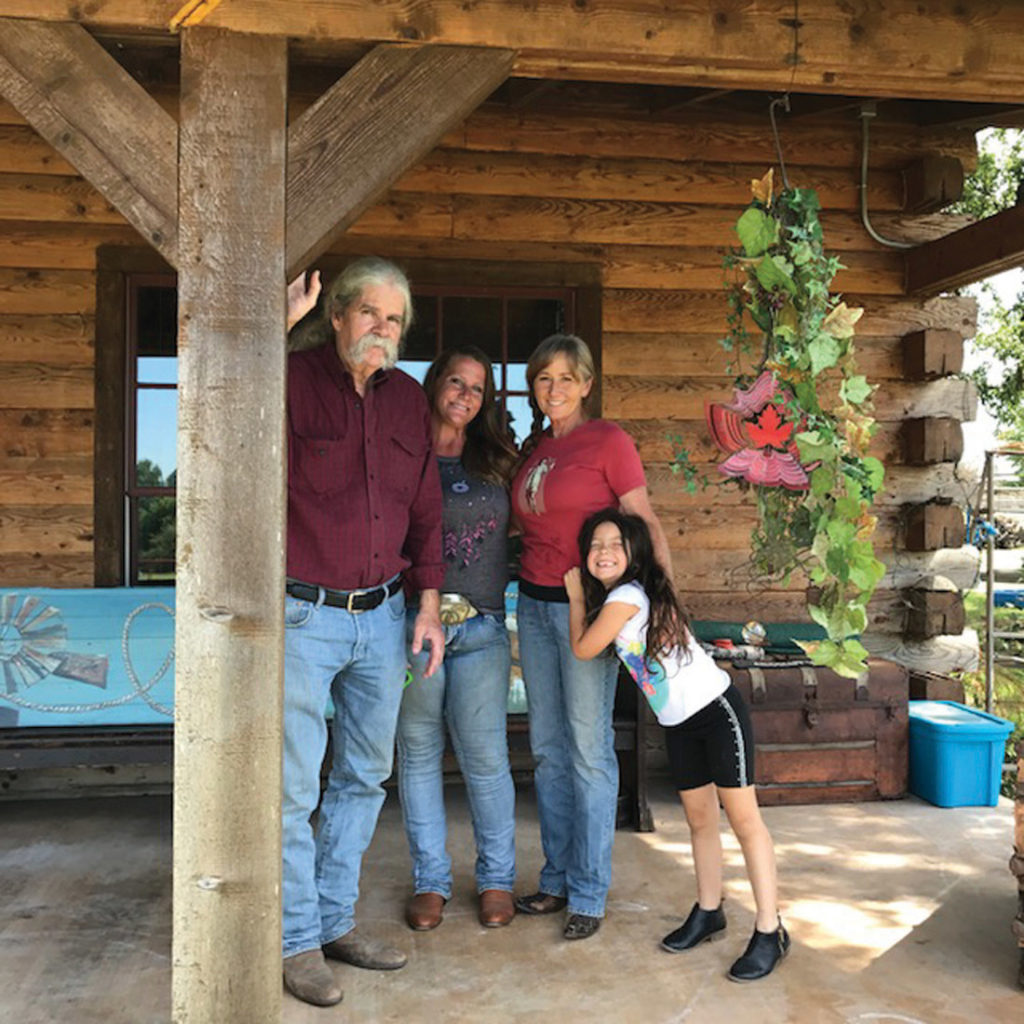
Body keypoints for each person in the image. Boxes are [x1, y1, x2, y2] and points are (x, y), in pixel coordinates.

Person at [281, 258, 445, 1007]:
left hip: (382, 618)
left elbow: (426, 513)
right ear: (338, 314)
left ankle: (334, 921)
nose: (383, 330)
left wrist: (429, 606)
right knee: (289, 788)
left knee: (361, 777)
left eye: (395, 321)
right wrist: (268, 330)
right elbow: (213, 407)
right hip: (303, 615)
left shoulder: (409, 401)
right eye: (371, 314)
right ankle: (294, 941)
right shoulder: (287, 378)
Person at [564, 508, 789, 982]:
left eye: (615, 544)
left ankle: (770, 930)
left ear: (634, 553)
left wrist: (572, 599)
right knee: (699, 819)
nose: (603, 552)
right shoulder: (626, 597)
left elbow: (583, 648)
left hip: (716, 712)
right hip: (680, 722)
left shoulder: (625, 596)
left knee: (744, 821)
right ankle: (710, 911)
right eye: (595, 545)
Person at [510, 333, 672, 941]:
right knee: (548, 751)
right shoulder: (535, 450)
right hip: (532, 604)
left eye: (565, 378)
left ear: (587, 383)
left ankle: (589, 891)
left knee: (587, 751)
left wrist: (664, 605)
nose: (554, 389)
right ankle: (555, 879)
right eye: (543, 378)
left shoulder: (608, 441)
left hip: (589, 614)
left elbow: (644, 521)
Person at [397, 346, 520, 932]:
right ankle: (431, 882)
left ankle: (496, 878)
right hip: (413, 625)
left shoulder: (498, 458)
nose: (465, 396)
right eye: (455, 382)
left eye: (477, 388)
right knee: (418, 754)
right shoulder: (404, 453)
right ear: (433, 385)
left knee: (485, 759)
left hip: (484, 624)